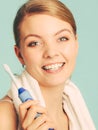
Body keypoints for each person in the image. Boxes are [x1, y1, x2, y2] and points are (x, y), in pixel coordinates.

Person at [0, 0, 96, 130]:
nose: (51, 53)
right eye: (34, 43)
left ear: (76, 43)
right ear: (20, 55)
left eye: (62, 38)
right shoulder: (4, 116)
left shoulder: (74, 107)